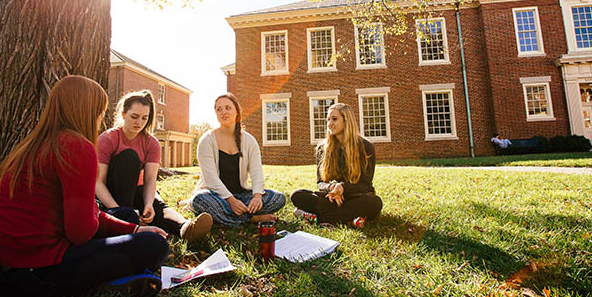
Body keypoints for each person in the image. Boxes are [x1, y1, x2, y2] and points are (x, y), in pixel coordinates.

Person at [0, 75, 170, 297]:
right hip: (32, 273)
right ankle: (104, 281)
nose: (100, 120)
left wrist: (132, 230)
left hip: (1, 267)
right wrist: (131, 234)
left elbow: (78, 216)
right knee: (155, 245)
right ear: (88, 111)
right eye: (100, 113)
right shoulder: (76, 147)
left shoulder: (32, 143)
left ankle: (114, 272)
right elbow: (80, 233)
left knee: (126, 215)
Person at [96, 90, 212, 241]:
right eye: (134, 117)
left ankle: (185, 228)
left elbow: (150, 179)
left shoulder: (151, 143)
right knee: (129, 157)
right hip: (112, 195)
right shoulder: (108, 138)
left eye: (144, 118)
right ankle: (128, 222)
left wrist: (148, 204)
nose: (139, 122)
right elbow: (98, 182)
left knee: (156, 204)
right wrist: (119, 210)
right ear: (123, 114)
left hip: (136, 190)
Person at [188, 93, 286, 226]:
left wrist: (257, 196)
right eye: (219, 109)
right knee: (199, 200)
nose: (223, 112)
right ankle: (251, 219)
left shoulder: (249, 140)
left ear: (237, 112)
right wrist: (231, 201)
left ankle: (226, 217)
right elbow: (210, 178)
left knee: (278, 198)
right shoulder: (207, 140)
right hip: (216, 196)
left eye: (228, 108)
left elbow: (256, 171)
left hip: (241, 195)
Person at [290, 103, 383, 228]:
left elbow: (366, 185)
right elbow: (320, 183)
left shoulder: (366, 146)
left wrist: (343, 188)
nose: (329, 123)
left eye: (334, 119)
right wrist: (332, 187)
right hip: (332, 198)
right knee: (297, 195)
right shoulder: (322, 148)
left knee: (374, 203)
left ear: (346, 121)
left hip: (356, 197)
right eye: (328, 119)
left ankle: (319, 219)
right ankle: (349, 218)